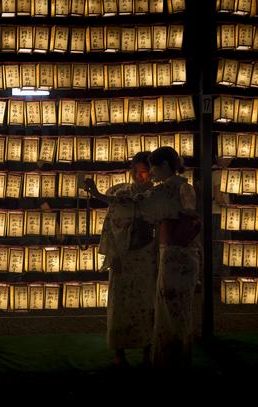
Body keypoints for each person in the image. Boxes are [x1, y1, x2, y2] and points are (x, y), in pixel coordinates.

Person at [84, 152, 157, 368]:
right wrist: (112, 254)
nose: (138, 175)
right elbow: (109, 224)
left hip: (146, 255)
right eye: (135, 170)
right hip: (122, 254)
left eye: (143, 171)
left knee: (147, 303)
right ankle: (119, 350)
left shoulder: (156, 194)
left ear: (151, 172)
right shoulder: (119, 190)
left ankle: (148, 348)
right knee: (120, 304)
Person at [133, 146, 201, 369]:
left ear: (163, 166)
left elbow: (140, 205)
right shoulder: (185, 188)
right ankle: (181, 357)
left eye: (153, 167)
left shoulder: (165, 190)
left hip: (172, 251)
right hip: (187, 253)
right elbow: (192, 219)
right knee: (181, 307)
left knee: (169, 306)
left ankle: (168, 360)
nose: (151, 172)